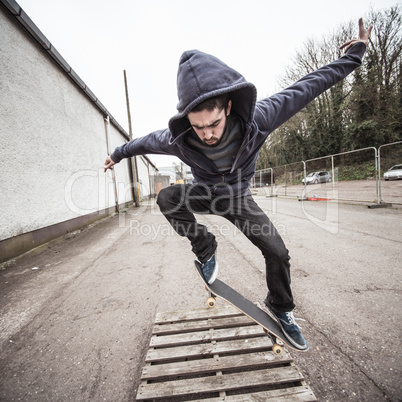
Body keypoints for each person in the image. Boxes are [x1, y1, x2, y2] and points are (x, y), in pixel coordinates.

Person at [105, 19, 372, 350]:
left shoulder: (259, 119)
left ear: (228, 106)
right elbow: (143, 142)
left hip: (238, 199)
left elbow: (308, 87)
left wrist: (355, 54)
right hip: (204, 195)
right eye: (198, 127)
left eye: (214, 124)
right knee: (167, 197)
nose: (208, 134)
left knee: (278, 252)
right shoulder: (180, 140)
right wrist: (117, 153)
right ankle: (205, 247)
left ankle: (280, 306)